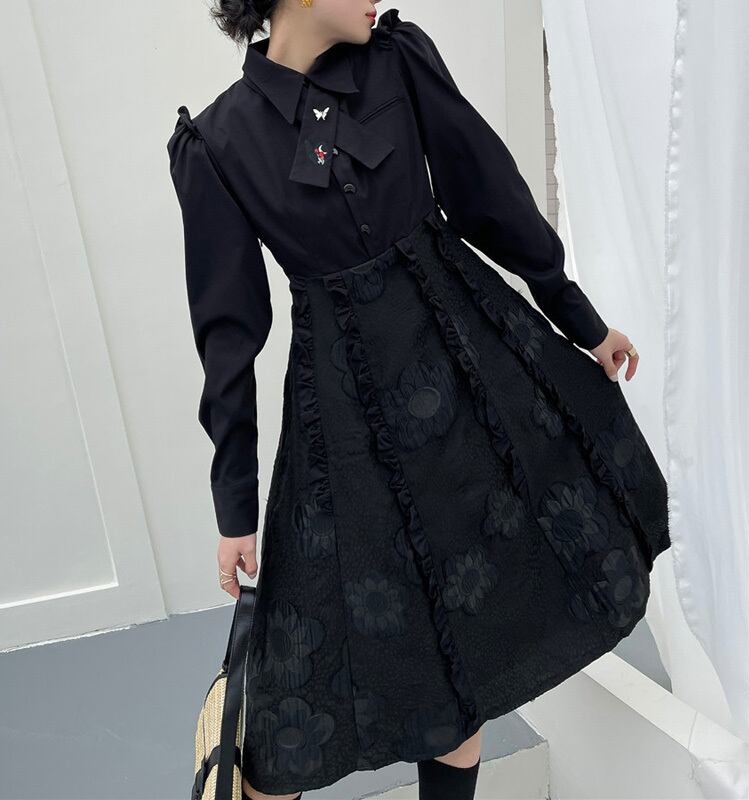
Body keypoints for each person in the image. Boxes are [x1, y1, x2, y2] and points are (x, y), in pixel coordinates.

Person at [167, 1, 671, 798]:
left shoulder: (398, 60)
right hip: (345, 424)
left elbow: (490, 196)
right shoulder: (218, 145)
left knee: (465, 655)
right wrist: (235, 507)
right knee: (301, 681)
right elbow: (228, 339)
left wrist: (580, 319)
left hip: (472, 380)